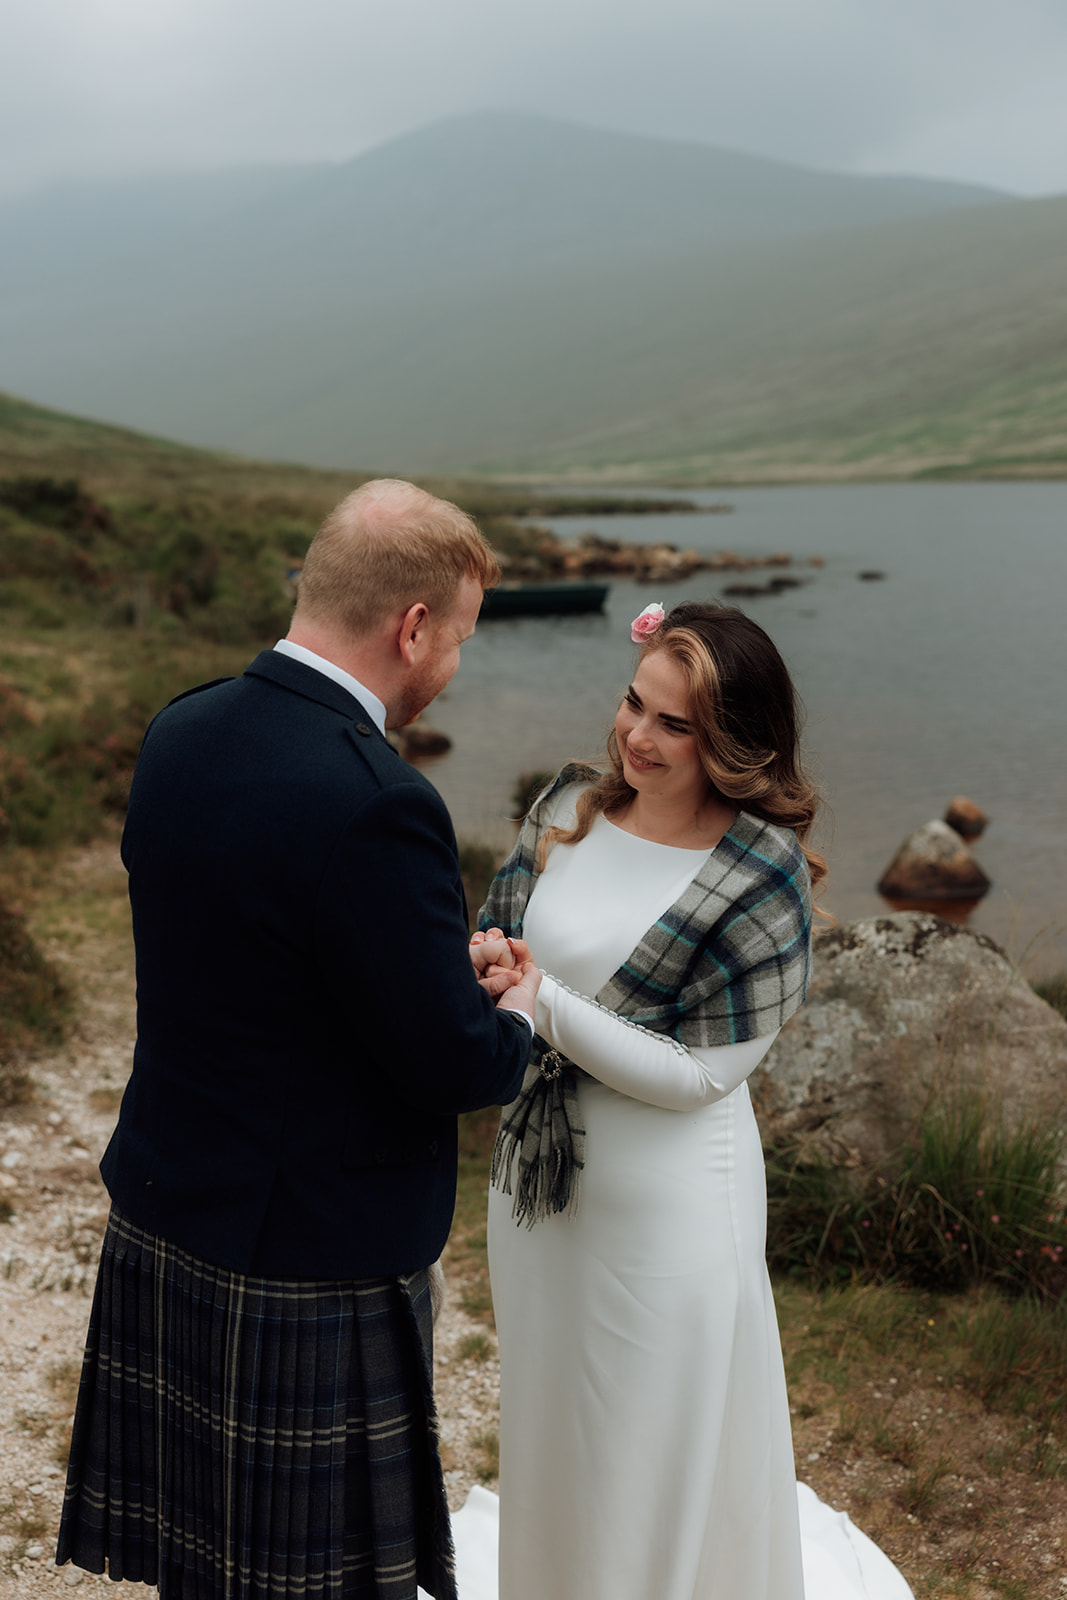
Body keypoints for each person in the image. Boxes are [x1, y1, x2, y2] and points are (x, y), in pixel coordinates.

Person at [56, 479, 538, 1600]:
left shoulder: (183, 727)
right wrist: (505, 1009)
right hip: (307, 1257)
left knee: (202, 1569)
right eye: (457, 639)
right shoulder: (379, 797)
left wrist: (420, 970)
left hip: (171, 1211)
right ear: (410, 626)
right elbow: (452, 1062)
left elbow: (257, 955)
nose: (451, 665)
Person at [476, 599, 823, 1600]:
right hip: (538, 1187)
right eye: (635, 704)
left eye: (674, 723)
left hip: (665, 1203)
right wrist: (488, 962)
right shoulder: (564, 806)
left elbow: (699, 1075)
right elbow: (499, 932)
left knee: (644, 1454)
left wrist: (540, 1003)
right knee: (550, 1431)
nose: (636, 735)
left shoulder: (762, 878)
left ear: (733, 743)